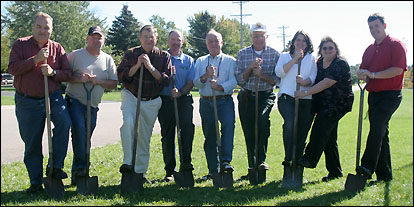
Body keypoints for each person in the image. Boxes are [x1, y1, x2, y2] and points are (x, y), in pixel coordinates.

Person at [8, 12, 72, 193]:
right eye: (39, 26)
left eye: (46, 28)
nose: (42, 30)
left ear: (51, 30)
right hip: (27, 100)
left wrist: (52, 72)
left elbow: (67, 74)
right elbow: (12, 68)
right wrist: (35, 60)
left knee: (64, 123)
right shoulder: (21, 45)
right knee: (32, 141)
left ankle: (56, 167)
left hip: (52, 96)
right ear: (33, 27)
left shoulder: (58, 48)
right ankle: (35, 182)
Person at [356, 13, 407, 184]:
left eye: (377, 26)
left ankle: (367, 166)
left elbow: (398, 70)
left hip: (391, 95)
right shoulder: (369, 49)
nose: (374, 30)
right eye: (371, 27)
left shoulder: (396, 45)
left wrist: (373, 74)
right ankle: (385, 175)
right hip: (374, 95)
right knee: (381, 132)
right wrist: (362, 74)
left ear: (384, 26)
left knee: (377, 127)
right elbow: (364, 71)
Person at [117, 25, 171, 185]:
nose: (149, 39)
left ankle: (139, 173)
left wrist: (149, 67)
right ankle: (128, 164)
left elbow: (165, 80)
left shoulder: (163, 56)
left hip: (152, 100)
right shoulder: (131, 53)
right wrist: (137, 65)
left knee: (143, 137)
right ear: (140, 38)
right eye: (145, 36)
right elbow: (121, 76)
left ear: (156, 38)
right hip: (131, 96)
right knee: (128, 123)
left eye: (152, 36)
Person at [295, 36, 354, 182]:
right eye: (325, 48)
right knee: (329, 138)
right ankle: (335, 172)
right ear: (320, 50)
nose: (327, 50)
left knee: (320, 126)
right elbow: (314, 79)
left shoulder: (340, 63)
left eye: (330, 48)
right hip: (324, 103)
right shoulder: (319, 62)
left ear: (336, 50)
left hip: (339, 104)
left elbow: (326, 83)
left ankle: (310, 158)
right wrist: (303, 82)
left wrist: (305, 93)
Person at [65, 26, 118, 185]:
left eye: (99, 37)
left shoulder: (107, 59)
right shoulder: (75, 56)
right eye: (93, 37)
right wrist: (78, 78)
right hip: (75, 101)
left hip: (93, 105)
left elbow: (114, 84)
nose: (96, 40)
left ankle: (79, 172)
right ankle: (81, 170)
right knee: (80, 133)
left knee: (85, 137)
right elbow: (63, 75)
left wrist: (99, 81)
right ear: (87, 39)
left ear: (103, 40)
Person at [235, 22, 280, 179]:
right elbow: (240, 80)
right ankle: (252, 168)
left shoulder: (274, 54)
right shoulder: (243, 54)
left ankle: (261, 161)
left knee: (262, 122)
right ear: (251, 37)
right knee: (249, 131)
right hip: (247, 96)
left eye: (261, 35)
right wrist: (250, 68)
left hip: (265, 95)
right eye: (255, 35)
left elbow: (276, 80)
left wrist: (261, 75)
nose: (258, 38)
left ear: (266, 36)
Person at [193, 29, 237, 180]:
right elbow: (196, 83)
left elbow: (234, 81)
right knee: (210, 135)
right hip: (206, 101)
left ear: (221, 42)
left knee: (228, 128)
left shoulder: (230, 61)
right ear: (206, 43)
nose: (213, 44)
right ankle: (213, 169)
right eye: (210, 41)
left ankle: (225, 162)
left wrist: (220, 86)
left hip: (224, 101)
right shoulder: (200, 61)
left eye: (216, 41)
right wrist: (205, 75)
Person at [274, 30, 317, 168]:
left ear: (307, 44)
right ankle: (288, 156)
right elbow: (279, 72)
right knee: (290, 123)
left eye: (304, 41)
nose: (300, 43)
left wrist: (303, 83)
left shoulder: (311, 58)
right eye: (298, 40)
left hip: (305, 98)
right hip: (287, 97)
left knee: (303, 129)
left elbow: (313, 77)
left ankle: (297, 158)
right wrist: (294, 60)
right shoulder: (284, 56)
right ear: (293, 42)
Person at [158, 30, 195, 182]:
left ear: (182, 41)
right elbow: (157, 78)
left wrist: (180, 92)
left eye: (178, 40)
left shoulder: (188, 60)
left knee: (186, 131)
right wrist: (168, 76)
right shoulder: (161, 58)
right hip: (166, 101)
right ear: (168, 41)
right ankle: (170, 170)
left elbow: (191, 82)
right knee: (168, 135)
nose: (175, 42)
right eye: (172, 39)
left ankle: (186, 165)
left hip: (183, 100)